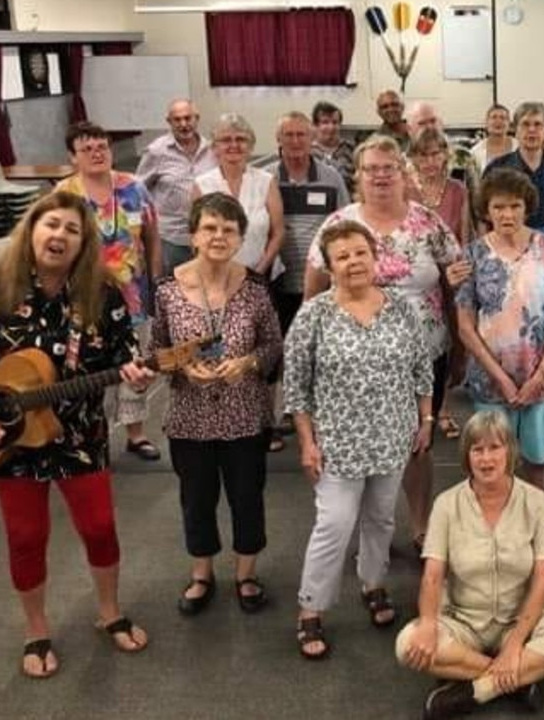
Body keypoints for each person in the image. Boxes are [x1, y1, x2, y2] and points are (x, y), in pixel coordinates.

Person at [0, 192, 155, 678]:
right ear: (32, 230)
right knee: (26, 537)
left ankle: (108, 612)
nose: (60, 235)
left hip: (79, 435)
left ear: (84, 243)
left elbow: (124, 353)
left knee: (100, 529)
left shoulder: (100, 294)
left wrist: (136, 372)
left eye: (72, 229)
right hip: (9, 443)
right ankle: (36, 628)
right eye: (52, 225)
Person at [304, 134, 466, 554]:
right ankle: (367, 530)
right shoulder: (338, 225)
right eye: (371, 168)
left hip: (425, 351)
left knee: (418, 441)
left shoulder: (428, 223)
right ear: (357, 175)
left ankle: (420, 523)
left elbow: (453, 287)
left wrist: (462, 344)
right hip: (355, 358)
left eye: (388, 167)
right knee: (361, 443)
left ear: (403, 172)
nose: (380, 176)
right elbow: (313, 292)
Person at [285, 220, 434, 660]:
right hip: (337, 445)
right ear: (329, 266)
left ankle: (374, 584)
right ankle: (311, 607)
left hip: (392, 437)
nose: (353, 262)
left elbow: (421, 370)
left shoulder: (403, 309)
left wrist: (425, 418)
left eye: (360, 252)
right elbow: (296, 387)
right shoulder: (314, 314)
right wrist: (307, 442)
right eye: (343, 256)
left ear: (374, 256)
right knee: (333, 525)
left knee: (382, 521)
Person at [395, 411, 544, 720]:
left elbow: (541, 581)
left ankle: (475, 690)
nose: (486, 459)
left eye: (495, 448)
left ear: (509, 451)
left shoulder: (538, 503)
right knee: (407, 645)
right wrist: (429, 623)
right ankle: (516, 681)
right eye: (477, 450)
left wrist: (514, 643)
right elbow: (432, 576)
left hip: (522, 620)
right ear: (467, 456)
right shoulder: (446, 503)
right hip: (462, 620)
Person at [151, 192, 283, 615]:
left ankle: (246, 573)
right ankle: (201, 573)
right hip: (190, 419)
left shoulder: (256, 288)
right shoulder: (168, 290)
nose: (219, 236)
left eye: (229, 229)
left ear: (241, 237)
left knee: (248, 496)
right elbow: (158, 351)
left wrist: (248, 362)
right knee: (196, 497)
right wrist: (184, 368)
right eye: (209, 227)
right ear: (192, 235)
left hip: (245, 415)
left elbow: (273, 345)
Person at [457, 168, 544, 491]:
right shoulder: (472, 255)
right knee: (493, 467)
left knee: (538, 463)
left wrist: (539, 376)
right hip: (490, 380)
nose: (507, 214)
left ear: (527, 207)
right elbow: (466, 328)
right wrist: (502, 380)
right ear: (486, 210)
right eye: (498, 207)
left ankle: (539, 534)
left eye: (514, 206)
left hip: (543, 379)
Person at [56, 121, 163, 462]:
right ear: (73, 157)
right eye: (87, 149)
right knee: (87, 367)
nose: (97, 153)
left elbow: (151, 236)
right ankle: (90, 435)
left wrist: (157, 281)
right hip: (83, 298)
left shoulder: (134, 187)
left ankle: (136, 434)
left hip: (133, 295)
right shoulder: (64, 196)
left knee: (134, 362)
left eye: (101, 146)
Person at [409, 127, 474, 438]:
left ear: (445, 155)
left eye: (436, 153)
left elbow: (463, 235)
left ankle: (444, 406)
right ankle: (415, 406)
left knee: (451, 341)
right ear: (414, 159)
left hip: (450, 277)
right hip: (416, 280)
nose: (431, 161)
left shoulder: (458, 190)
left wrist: (461, 274)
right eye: (424, 155)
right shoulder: (406, 190)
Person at [271, 111, 348, 332]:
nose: (295, 141)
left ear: (311, 138)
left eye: (301, 134)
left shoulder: (332, 178)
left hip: (323, 281)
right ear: (278, 139)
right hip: (281, 282)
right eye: (289, 135)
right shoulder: (268, 179)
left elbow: (344, 227)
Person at [192, 114, 286, 281]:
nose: (234, 145)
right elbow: (196, 235)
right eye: (226, 140)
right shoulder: (201, 185)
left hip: (263, 276)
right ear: (214, 147)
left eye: (241, 139)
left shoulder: (266, 181)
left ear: (250, 146)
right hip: (216, 278)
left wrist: (258, 273)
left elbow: (278, 232)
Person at [136, 98, 218, 275]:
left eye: (188, 118)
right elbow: (138, 190)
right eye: (177, 120)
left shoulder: (213, 150)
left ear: (197, 119)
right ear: (169, 122)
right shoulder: (156, 151)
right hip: (169, 239)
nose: (184, 124)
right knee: (169, 292)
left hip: (206, 238)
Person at [484, 103, 544, 229]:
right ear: (515, 131)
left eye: (538, 125)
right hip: (509, 242)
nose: (532, 130)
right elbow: (484, 215)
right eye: (525, 124)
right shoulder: (496, 170)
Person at [311, 100, 356, 188]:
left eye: (335, 122)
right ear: (315, 125)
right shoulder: (306, 153)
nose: (331, 127)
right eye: (325, 122)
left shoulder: (352, 150)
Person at [470, 104, 517, 172]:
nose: (498, 121)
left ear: (509, 123)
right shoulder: (475, 152)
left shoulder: (520, 146)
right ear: (486, 122)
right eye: (494, 117)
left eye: (503, 118)